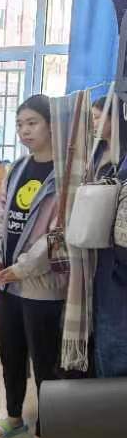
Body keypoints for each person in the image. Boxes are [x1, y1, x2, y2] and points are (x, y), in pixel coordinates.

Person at [0, 94, 67, 438]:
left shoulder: (65, 174)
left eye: (32, 123)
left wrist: (23, 268)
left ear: (51, 125)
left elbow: (59, 234)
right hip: (8, 282)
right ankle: (15, 416)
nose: (24, 131)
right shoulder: (18, 167)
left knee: (46, 361)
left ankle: (47, 433)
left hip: (41, 287)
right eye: (19, 124)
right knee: (11, 354)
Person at [91, 95, 127, 377]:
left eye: (98, 117)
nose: (94, 123)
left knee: (113, 333)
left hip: (116, 259)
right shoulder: (95, 153)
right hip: (100, 252)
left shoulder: (121, 158)